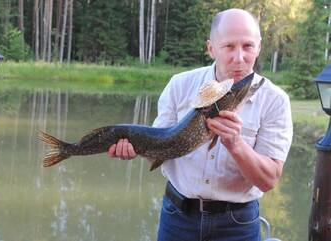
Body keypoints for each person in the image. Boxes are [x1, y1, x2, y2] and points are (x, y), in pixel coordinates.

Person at [108, 8, 293, 241]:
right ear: (211, 48)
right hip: (177, 217)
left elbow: (268, 180)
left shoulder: (275, 100)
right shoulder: (180, 85)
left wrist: (236, 144)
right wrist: (136, 149)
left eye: (247, 46)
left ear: (259, 47)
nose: (239, 57)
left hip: (237, 224)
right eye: (229, 46)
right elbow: (161, 147)